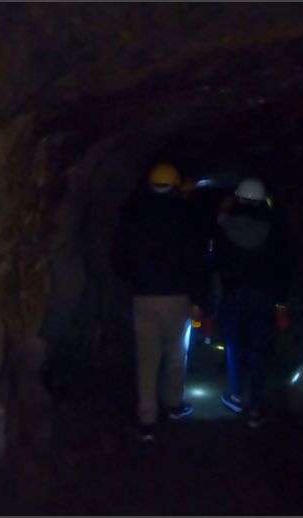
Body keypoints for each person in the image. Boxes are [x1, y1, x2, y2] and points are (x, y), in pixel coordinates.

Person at [113, 163, 207, 441]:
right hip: (177, 295)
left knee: (147, 357)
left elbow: (118, 256)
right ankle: (174, 405)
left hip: (143, 296)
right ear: (176, 186)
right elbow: (197, 261)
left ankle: (147, 419)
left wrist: (132, 281)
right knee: (176, 353)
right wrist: (199, 299)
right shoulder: (186, 216)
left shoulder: (134, 213)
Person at [211, 177, 290, 428]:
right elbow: (281, 266)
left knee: (234, 346)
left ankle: (236, 396)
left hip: (234, 293)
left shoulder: (225, 227)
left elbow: (216, 262)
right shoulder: (274, 229)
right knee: (258, 348)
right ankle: (255, 406)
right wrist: (280, 301)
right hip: (263, 295)